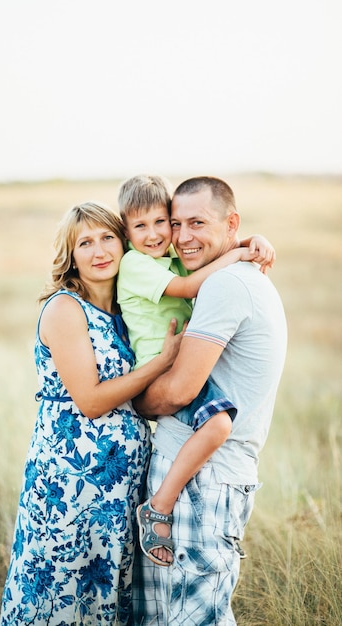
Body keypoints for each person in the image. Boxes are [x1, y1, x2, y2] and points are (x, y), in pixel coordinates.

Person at [0, 202, 183, 626]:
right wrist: (160, 362)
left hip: (115, 492)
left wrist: (249, 245)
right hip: (70, 490)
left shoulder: (123, 310)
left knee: (100, 600)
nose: (99, 250)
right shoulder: (66, 309)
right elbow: (91, 401)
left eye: (107, 238)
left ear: (123, 243)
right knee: (59, 592)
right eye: (85, 242)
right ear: (71, 255)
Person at [132, 176, 287, 625]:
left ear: (231, 223)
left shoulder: (226, 285)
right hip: (199, 476)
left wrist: (136, 402)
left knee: (197, 619)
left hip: (205, 481)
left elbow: (179, 391)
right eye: (176, 223)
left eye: (197, 223)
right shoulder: (225, 276)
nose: (181, 238)